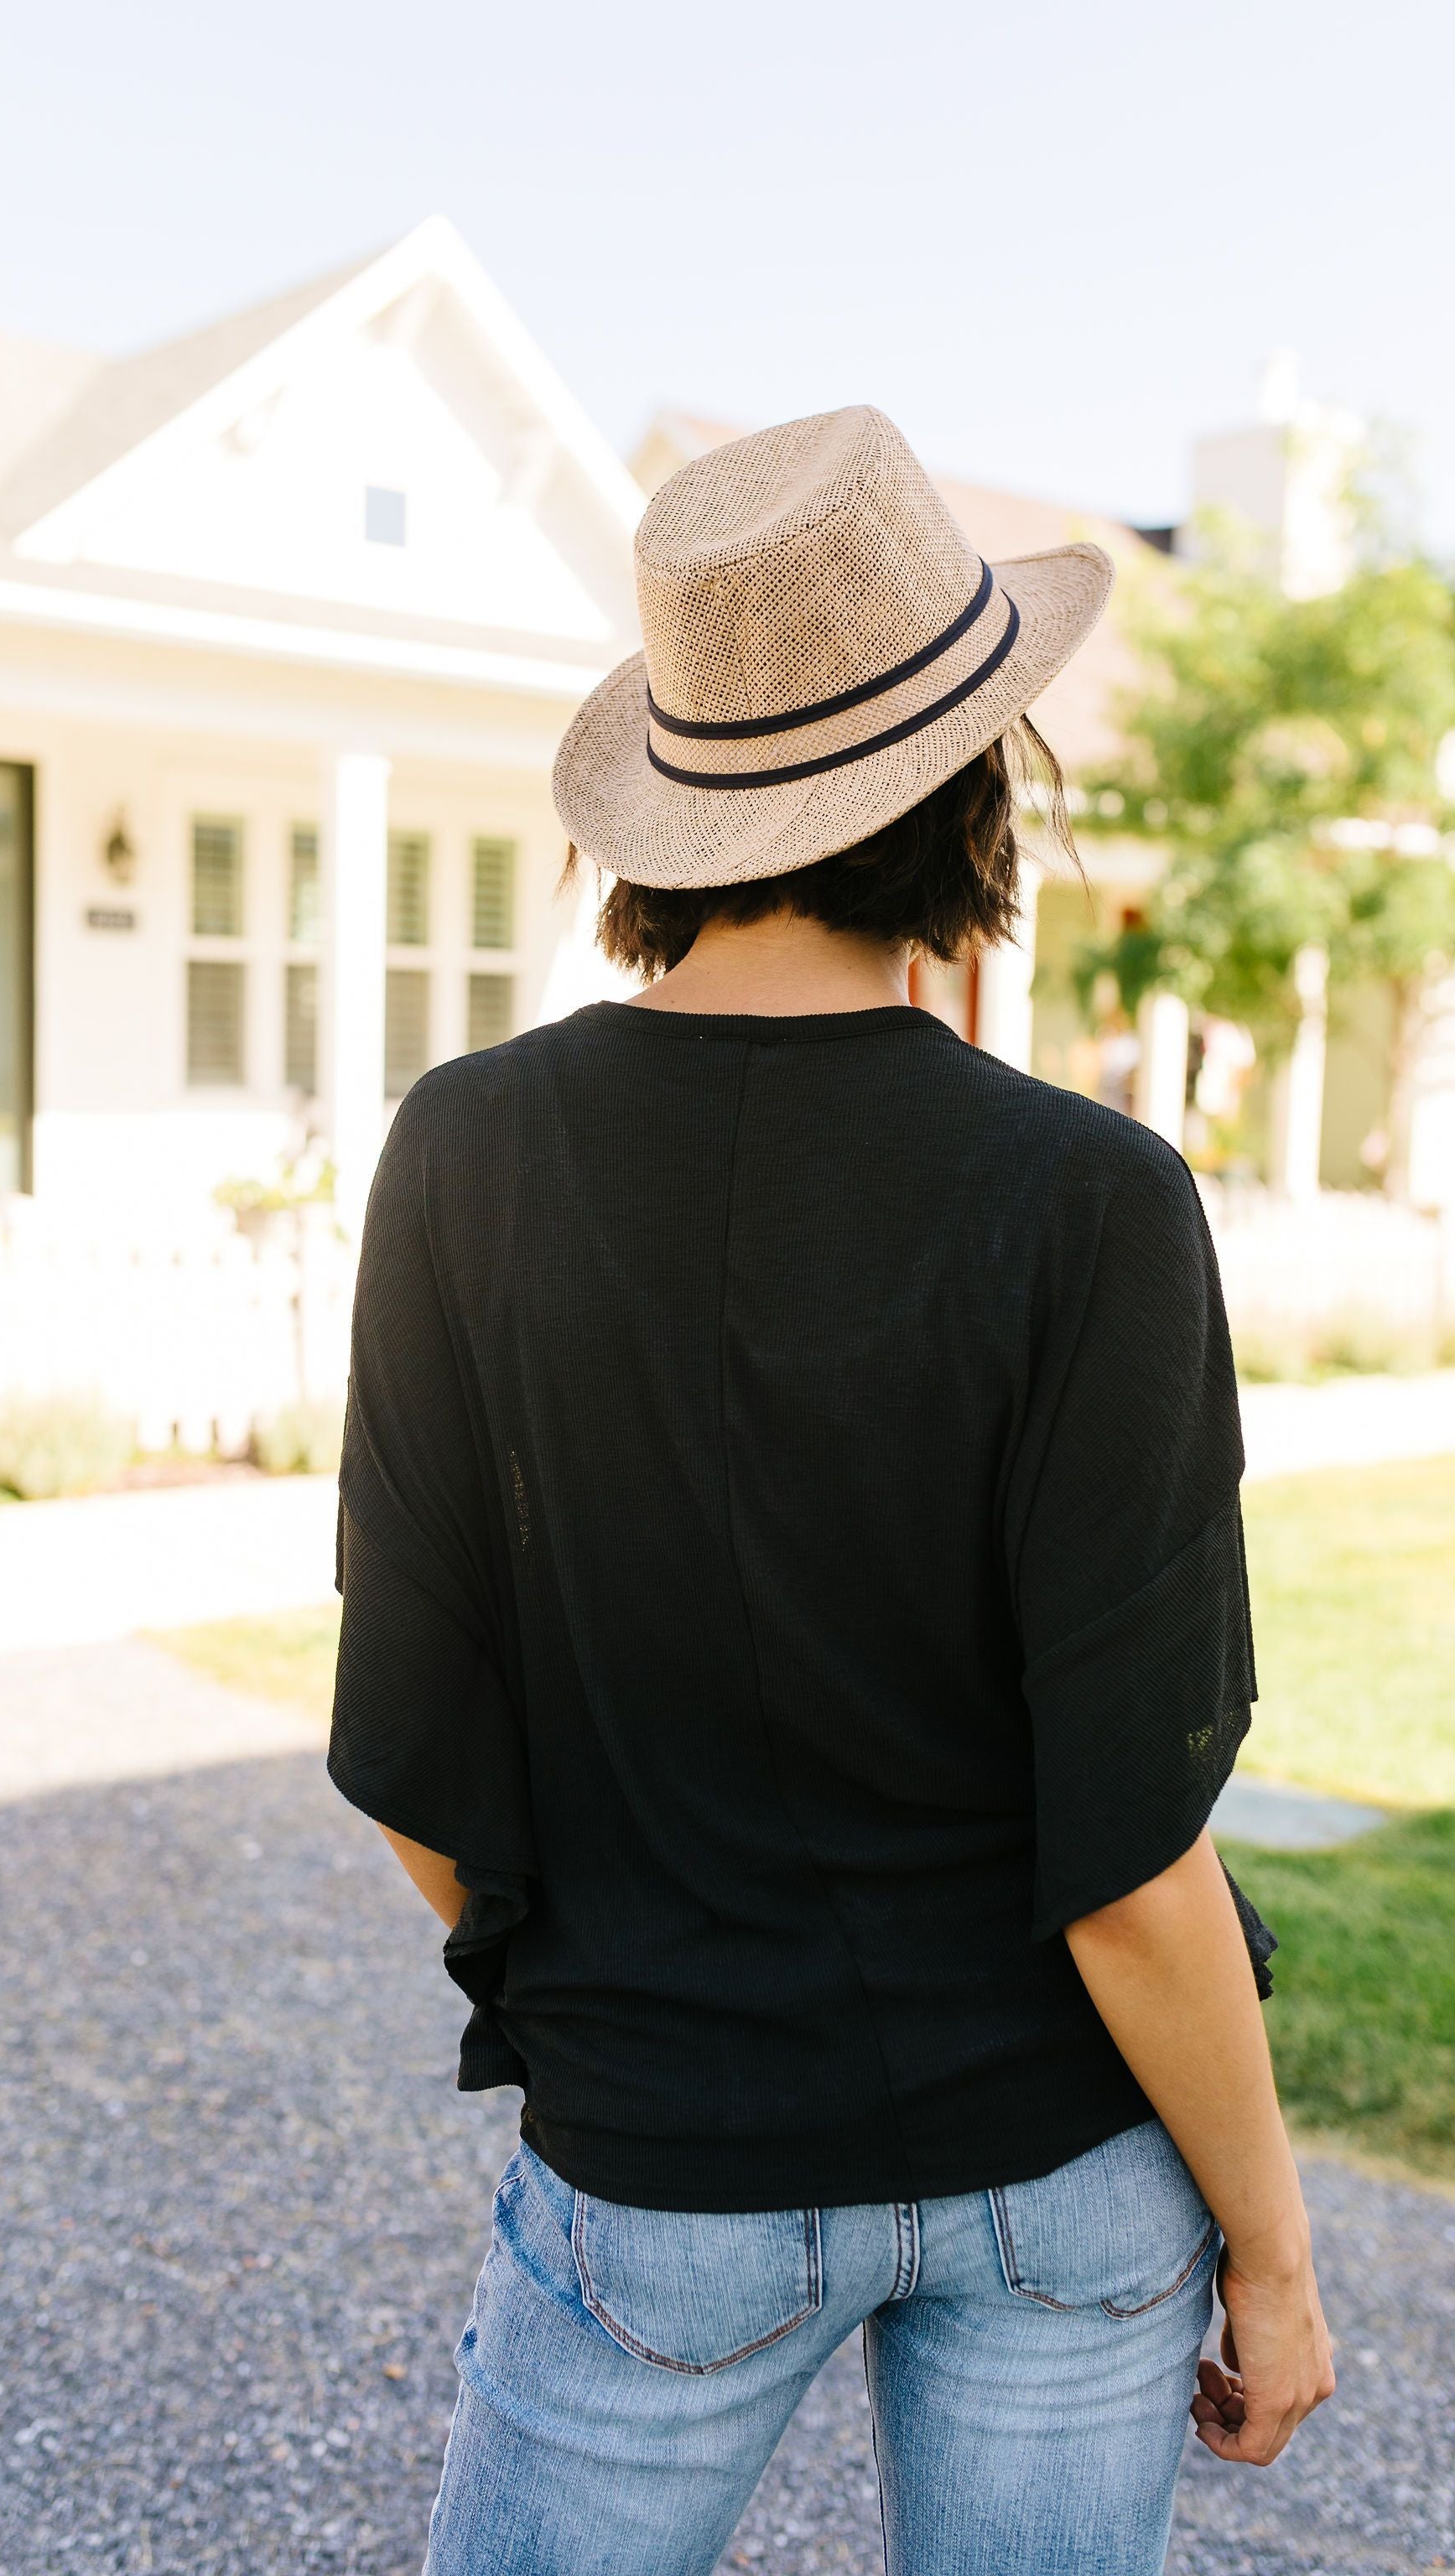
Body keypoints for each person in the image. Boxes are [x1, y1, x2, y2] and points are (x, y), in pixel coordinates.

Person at [328, 407, 1334, 2576]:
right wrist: (1277, 2250)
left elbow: (408, 1752)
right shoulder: (1096, 1203)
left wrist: (593, 1987)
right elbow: (1132, 1858)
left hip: (657, 2162)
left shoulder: (463, 1155)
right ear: (977, 793)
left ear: (673, 810)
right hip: (1071, 2167)